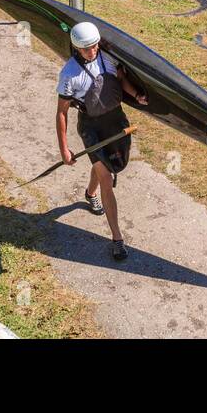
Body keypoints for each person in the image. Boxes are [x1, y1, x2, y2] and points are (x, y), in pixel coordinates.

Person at [56, 21, 147, 261]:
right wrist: (64, 148)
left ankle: (89, 193)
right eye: (86, 49)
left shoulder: (107, 57)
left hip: (116, 121)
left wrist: (136, 94)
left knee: (112, 165)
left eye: (94, 46)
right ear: (76, 48)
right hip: (91, 128)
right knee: (106, 176)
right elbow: (62, 113)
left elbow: (120, 79)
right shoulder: (69, 74)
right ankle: (117, 239)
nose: (92, 51)